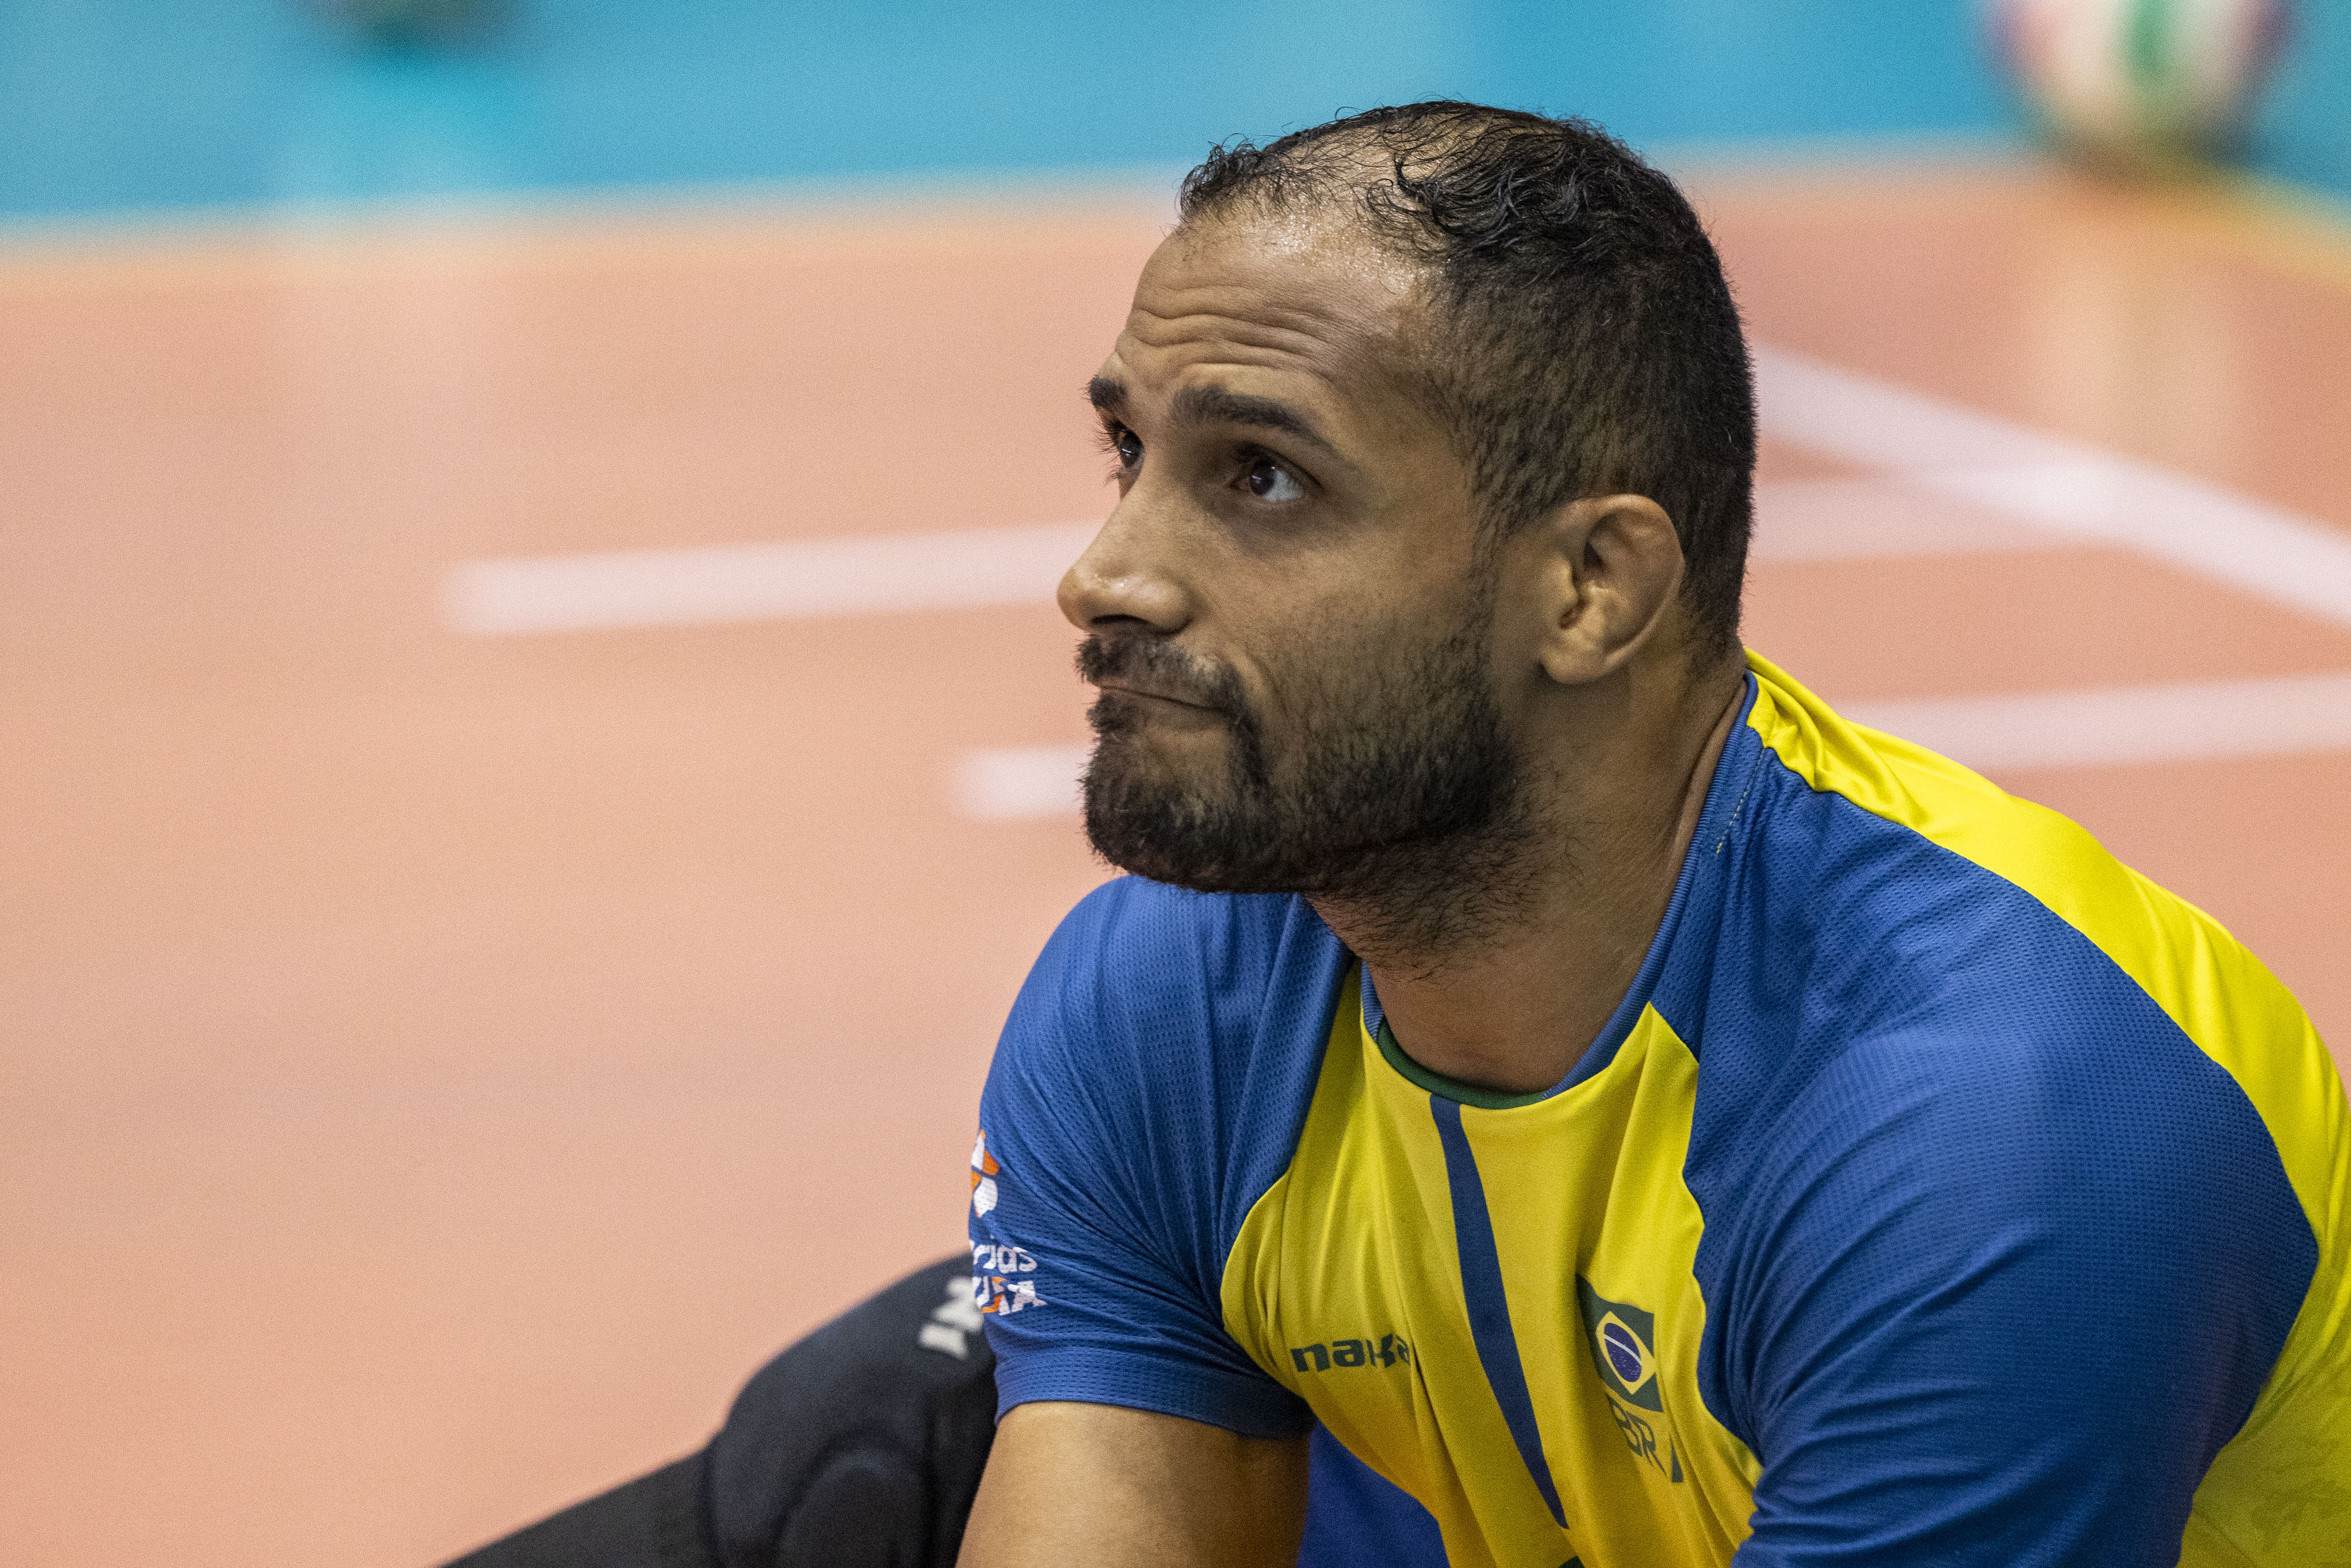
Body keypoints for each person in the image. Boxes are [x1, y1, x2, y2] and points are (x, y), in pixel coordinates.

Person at [450, 102, 2351, 1568]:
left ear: (1591, 590)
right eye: (1132, 455)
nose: (1105, 573)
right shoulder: (1177, 999)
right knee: (875, 1447)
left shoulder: (1989, 1135)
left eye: (1262, 479)